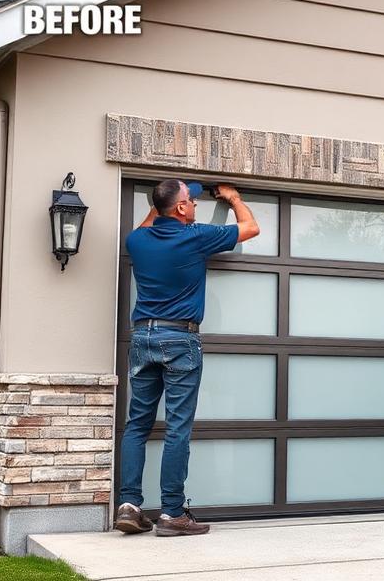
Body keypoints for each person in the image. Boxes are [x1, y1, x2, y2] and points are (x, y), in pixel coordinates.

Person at [116, 179, 259, 537]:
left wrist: (168, 197)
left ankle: (129, 507)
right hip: (180, 338)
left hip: (143, 337)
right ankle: (172, 514)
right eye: (190, 201)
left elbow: (150, 220)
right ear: (181, 208)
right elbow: (251, 227)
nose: (194, 205)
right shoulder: (195, 236)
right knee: (177, 429)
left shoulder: (137, 240)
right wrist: (233, 197)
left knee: (137, 425)